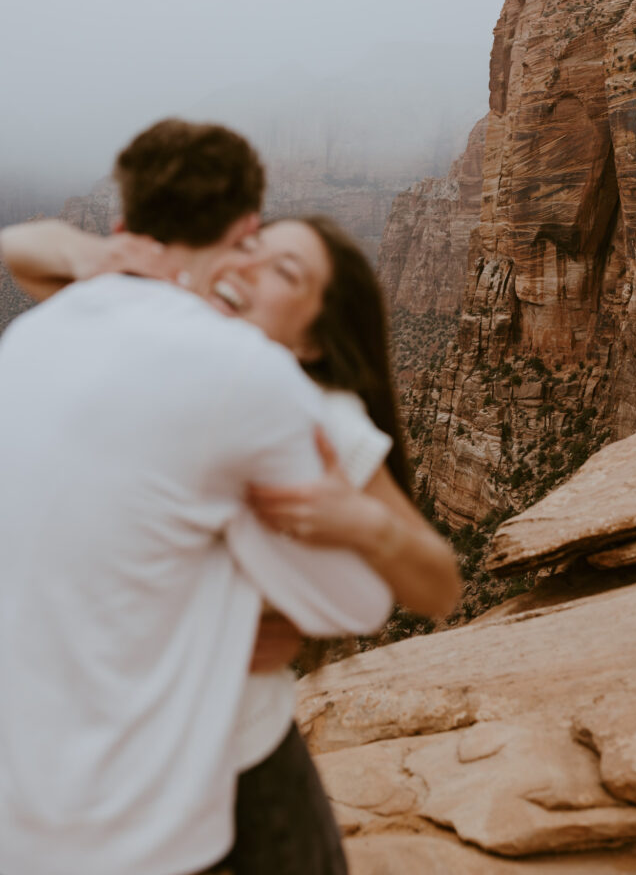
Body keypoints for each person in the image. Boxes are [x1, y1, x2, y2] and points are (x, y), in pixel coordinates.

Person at [0, 120, 460, 875]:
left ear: (313, 337)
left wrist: (362, 527)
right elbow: (25, 250)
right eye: (249, 250)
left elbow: (435, 587)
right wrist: (109, 255)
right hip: (133, 762)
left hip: (234, 759)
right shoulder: (168, 358)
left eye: (285, 274)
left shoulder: (323, 421)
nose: (248, 271)